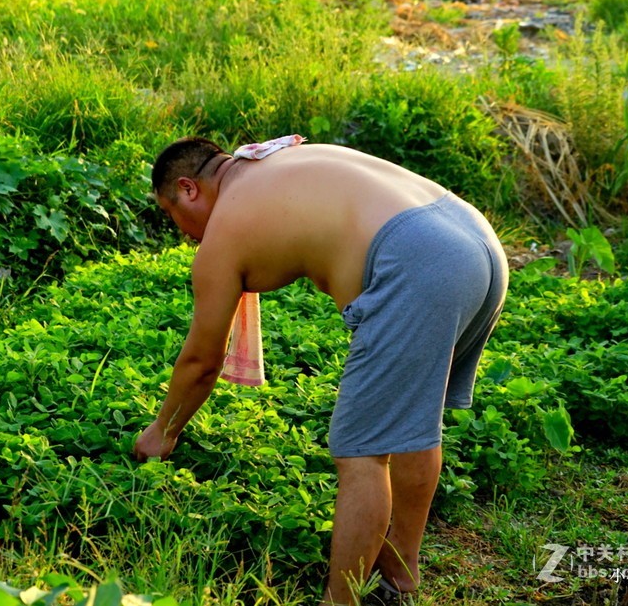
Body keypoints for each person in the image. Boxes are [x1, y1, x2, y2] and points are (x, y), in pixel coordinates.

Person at [133, 136, 508, 605]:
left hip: (417, 259)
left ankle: (341, 601)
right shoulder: (272, 160)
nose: (184, 234)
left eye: (173, 216)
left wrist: (161, 431)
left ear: (189, 189)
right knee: (414, 426)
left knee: (361, 451)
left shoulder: (226, 224)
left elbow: (202, 361)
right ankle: (397, 578)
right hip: (476, 242)